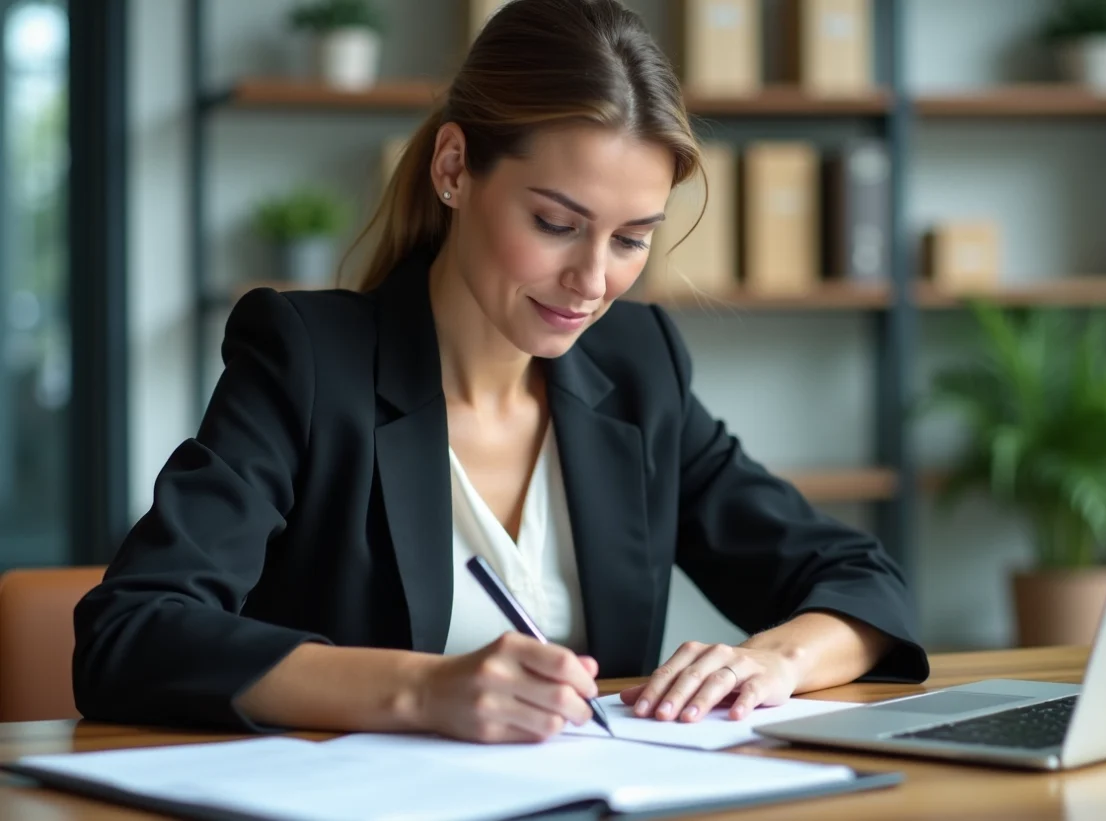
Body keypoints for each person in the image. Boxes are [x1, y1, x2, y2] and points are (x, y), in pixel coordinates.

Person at [73, 0, 928, 744]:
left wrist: (773, 659)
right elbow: (132, 631)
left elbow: (863, 580)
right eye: (557, 222)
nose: (593, 281)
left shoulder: (638, 370)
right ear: (454, 168)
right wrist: (419, 689)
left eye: (632, 238)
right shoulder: (307, 361)